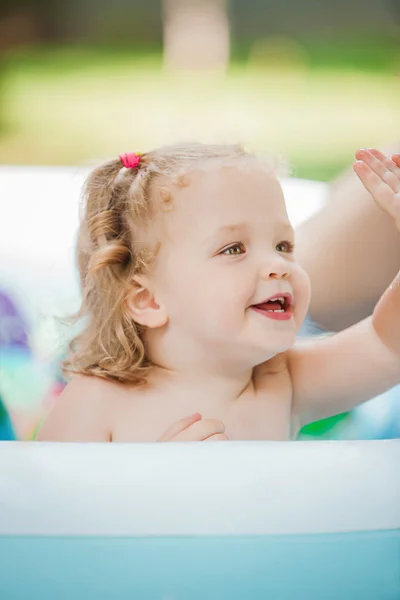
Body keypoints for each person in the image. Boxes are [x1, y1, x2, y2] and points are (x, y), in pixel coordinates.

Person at [35, 143, 400, 443]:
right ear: (147, 300)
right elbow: (48, 514)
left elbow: (387, 346)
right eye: (234, 249)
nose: (279, 265)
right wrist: (153, 481)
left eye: (284, 245)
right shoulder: (95, 403)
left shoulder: (282, 381)